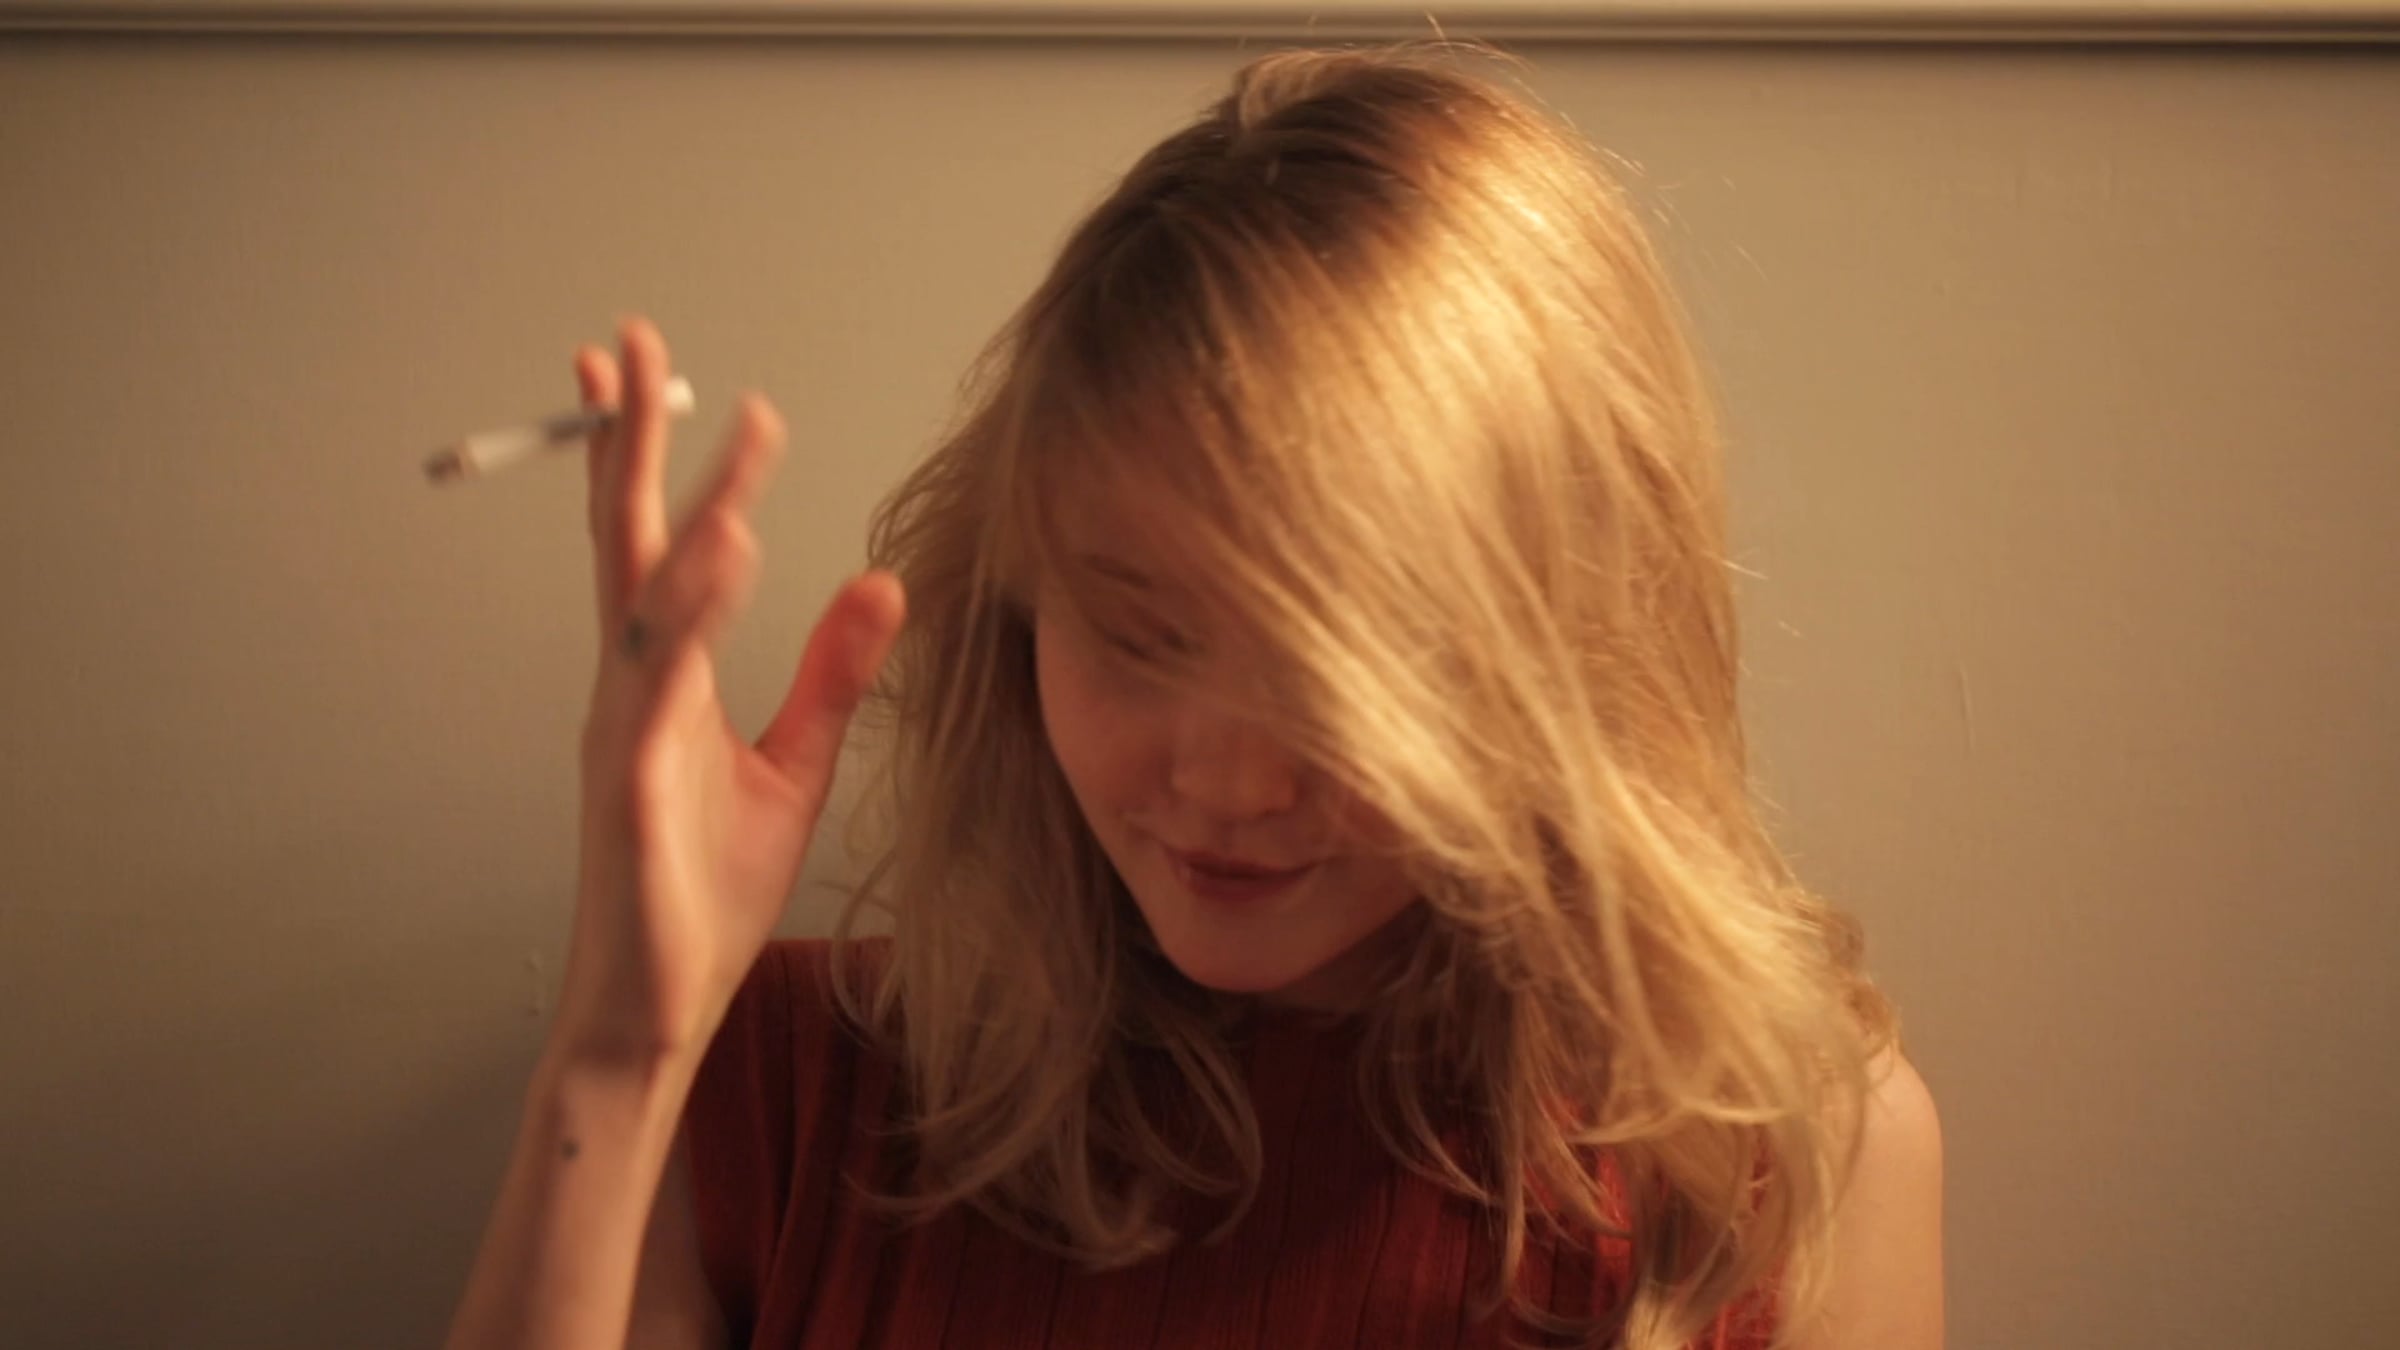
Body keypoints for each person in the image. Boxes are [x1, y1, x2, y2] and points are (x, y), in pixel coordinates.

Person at [441, 40, 1942, 1350]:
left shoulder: (1783, 1159)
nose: (1227, 781)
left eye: (1343, 673)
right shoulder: (776, 1088)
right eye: (1139, 635)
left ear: (1564, 660)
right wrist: (619, 1051)